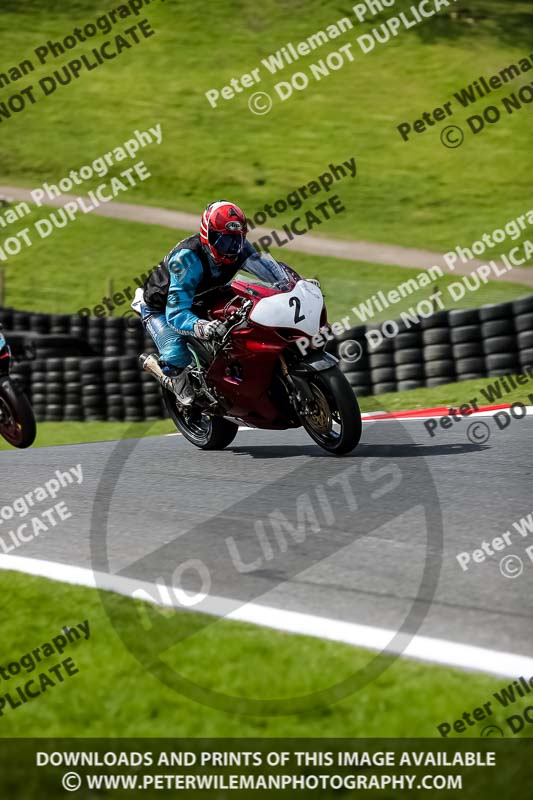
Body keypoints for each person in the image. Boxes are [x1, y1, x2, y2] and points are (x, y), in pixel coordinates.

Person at [136, 201, 255, 405]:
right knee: (176, 357)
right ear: (208, 235)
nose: (232, 248)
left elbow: (269, 269)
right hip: (162, 309)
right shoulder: (187, 260)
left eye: (236, 240)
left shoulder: (241, 248)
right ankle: (173, 381)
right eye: (224, 241)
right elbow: (176, 314)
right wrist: (203, 326)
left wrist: (295, 283)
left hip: (205, 295)